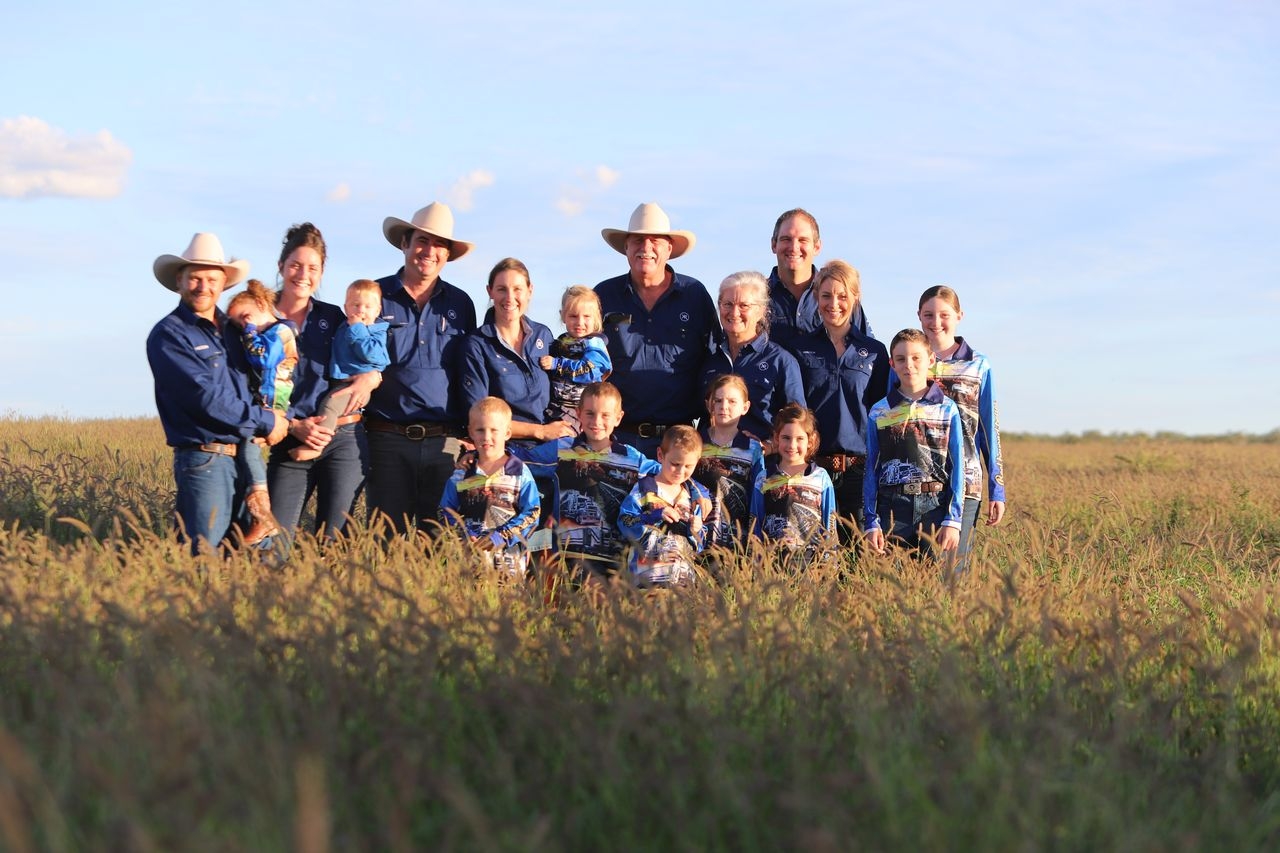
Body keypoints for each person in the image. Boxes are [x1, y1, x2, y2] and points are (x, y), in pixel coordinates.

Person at [146, 233, 287, 553]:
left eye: (211, 278)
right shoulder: (170, 335)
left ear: (223, 283)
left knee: (258, 555)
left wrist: (282, 413)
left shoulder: (235, 330)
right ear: (179, 281)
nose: (203, 286)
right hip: (204, 461)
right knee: (205, 556)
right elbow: (205, 399)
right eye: (194, 278)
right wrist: (266, 420)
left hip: (246, 458)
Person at [365, 202, 478, 535]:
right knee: (385, 541)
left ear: (447, 254)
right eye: (422, 241)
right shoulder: (376, 295)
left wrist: (470, 431)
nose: (429, 251)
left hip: (444, 444)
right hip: (386, 439)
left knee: (440, 540)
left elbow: (467, 373)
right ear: (405, 244)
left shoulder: (460, 304)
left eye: (439, 244)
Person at [266, 223, 375, 540]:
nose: (303, 274)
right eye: (296, 265)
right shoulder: (260, 318)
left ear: (322, 272)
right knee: (273, 543)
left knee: (335, 546)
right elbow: (248, 384)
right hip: (290, 440)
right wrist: (294, 425)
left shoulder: (335, 318)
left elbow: (368, 362)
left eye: (313, 268)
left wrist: (370, 379)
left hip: (343, 439)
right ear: (281, 267)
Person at [595, 202, 718, 456]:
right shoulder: (604, 295)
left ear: (669, 248)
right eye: (638, 240)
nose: (646, 248)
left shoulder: (694, 294)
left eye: (655, 241)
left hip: (679, 441)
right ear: (626, 247)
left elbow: (715, 357)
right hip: (615, 438)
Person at [511, 382, 659, 586]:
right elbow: (524, 461)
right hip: (567, 557)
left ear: (618, 418)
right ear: (578, 413)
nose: (597, 421)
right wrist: (480, 454)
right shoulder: (562, 449)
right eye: (590, 413)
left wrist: (695, 495)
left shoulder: (632, 458)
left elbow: (668, 473)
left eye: (605, 415)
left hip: (613, 559)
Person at [790, 260, 889, 538]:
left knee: (855, 560)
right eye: (826, 295)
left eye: (843, 296)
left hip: (859, 473)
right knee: (809, 553)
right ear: (816, 298)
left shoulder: (874, 352)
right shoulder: (800, 349)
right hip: (812, 469)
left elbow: (881, 415)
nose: (834, 303)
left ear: (855, 298)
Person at [914, 285, 1006, 568]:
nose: (936, 322)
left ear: (959, 316)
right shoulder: (911, 361)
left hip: (966, 484)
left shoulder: (978, 365)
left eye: (944, 314)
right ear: (919, 316)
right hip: (917, 483)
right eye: (928, 315)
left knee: (953, 573)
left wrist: (997, 487)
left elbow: (989, 429)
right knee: (916, 575)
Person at [863, 329, 965, 564]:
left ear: (930, 360)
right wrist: (871, 521)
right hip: (892, 509)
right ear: (892, 364)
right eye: (901, 359)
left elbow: (956, 465)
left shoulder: (947, 409)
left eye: (916, 357)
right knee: (892, 588)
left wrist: (953, 519)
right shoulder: (879, 411)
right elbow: (872, 467)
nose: (909, 365)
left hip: (934, 507)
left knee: (932, 589)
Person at [458, 259, 575, 443]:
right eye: (501, 289)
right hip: (504, 451)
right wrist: (540, 431)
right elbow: (478, 414)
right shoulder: (476, 345)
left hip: (552, 447)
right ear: (490, 292)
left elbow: (563, 386)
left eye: (517, 289)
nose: (510, 298)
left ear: (530, 291)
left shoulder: (543, 335)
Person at [225, 279, 298, 544]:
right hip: (265, 400)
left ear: (260, 304)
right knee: (247, 450)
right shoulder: (270, 333)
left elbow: (263, 358)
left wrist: (249, 333)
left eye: (245, 317)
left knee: (248, 448)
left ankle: (263, 516)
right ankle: (258, 513)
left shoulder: (282, 331)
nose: (244, 325)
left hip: (274, 402)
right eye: (238, 324)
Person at [439, 397, 541, 578]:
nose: (486, 437)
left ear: (507, 433)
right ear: (470, 432)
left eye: (494, 430)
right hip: (468, 560)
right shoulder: (461, 474)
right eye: (480, 430)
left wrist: (499, 537)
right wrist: (463, 535)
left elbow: (533, 512)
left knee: (507, 605)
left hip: (508, 564)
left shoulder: (520, 472)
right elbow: (445, 510)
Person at [700, 270, 806, 442]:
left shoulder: (780, 361)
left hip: (763, 465)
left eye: (744, 306)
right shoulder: (710, 358)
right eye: (727, 304)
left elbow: (798, 423)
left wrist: (770, 446)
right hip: (713, 462)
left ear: (761, 311)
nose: (734, 313)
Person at [291, 278, 389, 462]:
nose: (361, 310)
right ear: (345, 307)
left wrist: (358, 329)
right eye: (355, 305)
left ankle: (318, 445)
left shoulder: (377, 331)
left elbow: (375, 356)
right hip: (340, 381)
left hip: (357, 386)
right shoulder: (342, 326)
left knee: (330, 405)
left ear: (377, 310)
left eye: (368, 307)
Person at [618, 425, 712, 588]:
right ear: (660, 455)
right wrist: (652, 516)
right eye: (675, 464)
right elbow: (624, 522)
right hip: (646, 584)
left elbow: (699, 545)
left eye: (688, 466)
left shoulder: (693, 497)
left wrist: (696, 531)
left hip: (682, 585)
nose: (680, 472)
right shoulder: (643, 490)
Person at [766, 208, 871, 349]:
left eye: (803, 240)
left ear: (817, 247)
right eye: (786, 239)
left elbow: (867, 352)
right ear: (774, 245)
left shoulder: (842, 299)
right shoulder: (757, 300)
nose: (794, 247)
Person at [751, 404, 836, 571]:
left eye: (799, 439)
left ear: (810, 441)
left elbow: (830, 523)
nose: (792, 445)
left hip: (810, 565)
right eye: (786, 438)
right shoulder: (763, 478)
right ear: (776, 438)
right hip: (771, 565)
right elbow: (755, 521)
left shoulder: (821, 477)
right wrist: (756, 562)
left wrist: (828, 566)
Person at [693, 374, 765, 552]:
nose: (724, 406)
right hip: (697, 538)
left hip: (736, 542)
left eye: (732, 401)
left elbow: (757, 497)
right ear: (710, 405)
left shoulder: (753, 449)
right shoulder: (694, 442)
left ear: (745, 407)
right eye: (718, 400)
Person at [540, 285, 612, 429]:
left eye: (586, 317)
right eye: (573, 316)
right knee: (556, 446)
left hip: (583, 411)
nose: (579, 322)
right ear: (563, 316)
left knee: (573, 448)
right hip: (557, 408)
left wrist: (556, 364)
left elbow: (588, 370)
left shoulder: (595, 343)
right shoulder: (561, 341)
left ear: (596, 318)